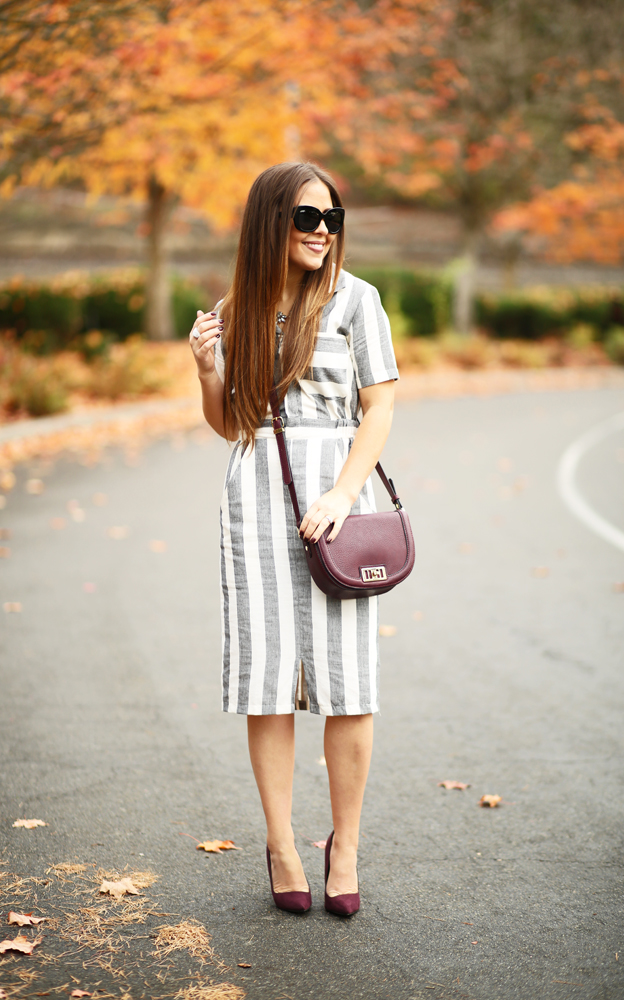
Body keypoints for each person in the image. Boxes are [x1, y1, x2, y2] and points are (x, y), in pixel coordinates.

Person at [189, 161, 398, 916]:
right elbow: (234, 427)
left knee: (347, 679)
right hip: (254, 499)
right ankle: (280, 843)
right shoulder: (238, 306)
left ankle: (343, 845)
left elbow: (378, 408)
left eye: (330, 219)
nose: (321, 232)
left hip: (337, 498)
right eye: (306, 218)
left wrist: (344, 491)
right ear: (270, 223)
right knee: (267, 677)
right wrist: (209, 373)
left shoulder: (357, 300)